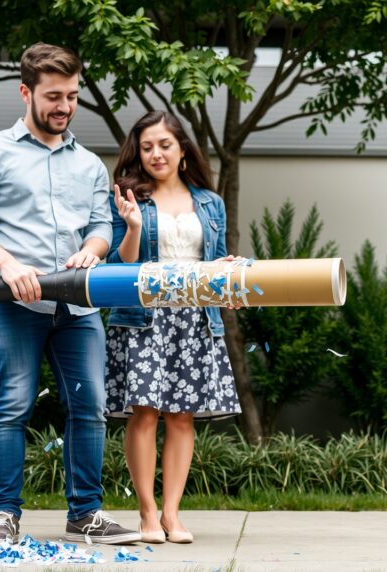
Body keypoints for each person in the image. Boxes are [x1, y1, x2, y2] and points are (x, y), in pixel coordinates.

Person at [0, 42, 140, 545]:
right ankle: (3, 515)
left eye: (72, 96)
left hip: (78, 307)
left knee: (91, 406)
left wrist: (95, 250)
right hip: (15, 307)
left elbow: (102, 223)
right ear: (25, 92)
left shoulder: (88, 164)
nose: (64, 106)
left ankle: (85, 514)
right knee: (12, 405)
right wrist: (7, 262)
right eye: (53, 96)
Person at [105, 110, 242, 544]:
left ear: (182, 148)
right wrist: (132, 226)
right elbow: (120, 265)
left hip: (195, 318)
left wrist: (228, 273)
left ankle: (172, 515)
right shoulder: (129, 195)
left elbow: (215, 265)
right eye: (146, 147)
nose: (155, 154)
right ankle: (146, 514)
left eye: (164, 144)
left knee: (182, 417)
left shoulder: (210, 202)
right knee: (144, 413)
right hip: (144, 315)